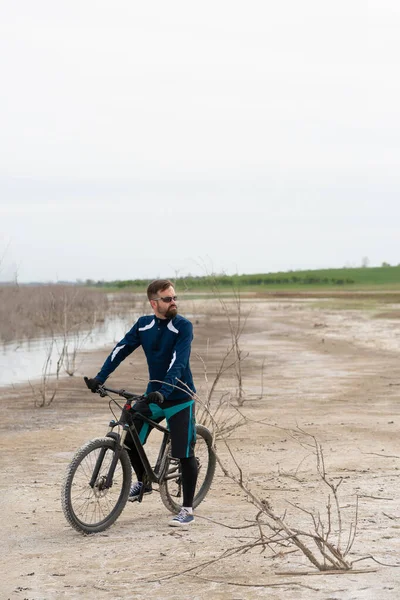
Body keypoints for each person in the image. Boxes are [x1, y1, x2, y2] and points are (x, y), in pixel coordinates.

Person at [85, 279, 197, 527]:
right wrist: (100, 378)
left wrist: (165, 390)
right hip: (154, 395)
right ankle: (144, 479)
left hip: (178, 397)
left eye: (175, 298)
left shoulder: (183, 326)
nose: (173, 302)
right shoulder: (143, 325)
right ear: (154, 302)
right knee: (131, 437)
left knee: (184, 453)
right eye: (168, 299)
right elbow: (121, 349)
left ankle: (187, 509)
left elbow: (178, 363)